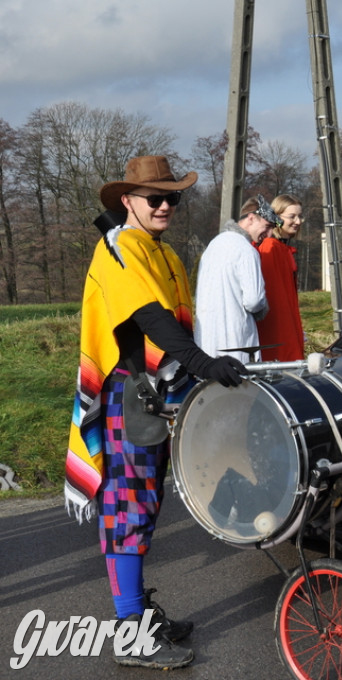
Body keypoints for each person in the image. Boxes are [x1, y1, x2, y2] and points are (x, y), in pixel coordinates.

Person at [65, 155, 248, 669]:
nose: (166, 205)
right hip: (130, 393)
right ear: (128, 201)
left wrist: (199, 364)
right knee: (127, 508)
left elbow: (177, 322)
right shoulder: (120, 248)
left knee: (143, 506)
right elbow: (149, 318)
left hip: (157, 391)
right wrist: (203, 363)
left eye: (174, 198)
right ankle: (128, 631)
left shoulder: (160, 251)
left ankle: (139, 616)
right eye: (155, 198)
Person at [194, 195, 277, 363]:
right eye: (267, 227)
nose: (268, 235)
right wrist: (263, 307)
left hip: (206, 344)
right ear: (251, 218)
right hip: (237, 344)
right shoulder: (246, 250)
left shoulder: (213, 245)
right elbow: (254, 300)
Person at [256, 194, 305, 361]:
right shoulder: (271, 248)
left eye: (299, 216)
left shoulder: (281, 248)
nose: (298, 221)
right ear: (276, 218)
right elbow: (275, 302)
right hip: (278, 336)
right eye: (292, 216)